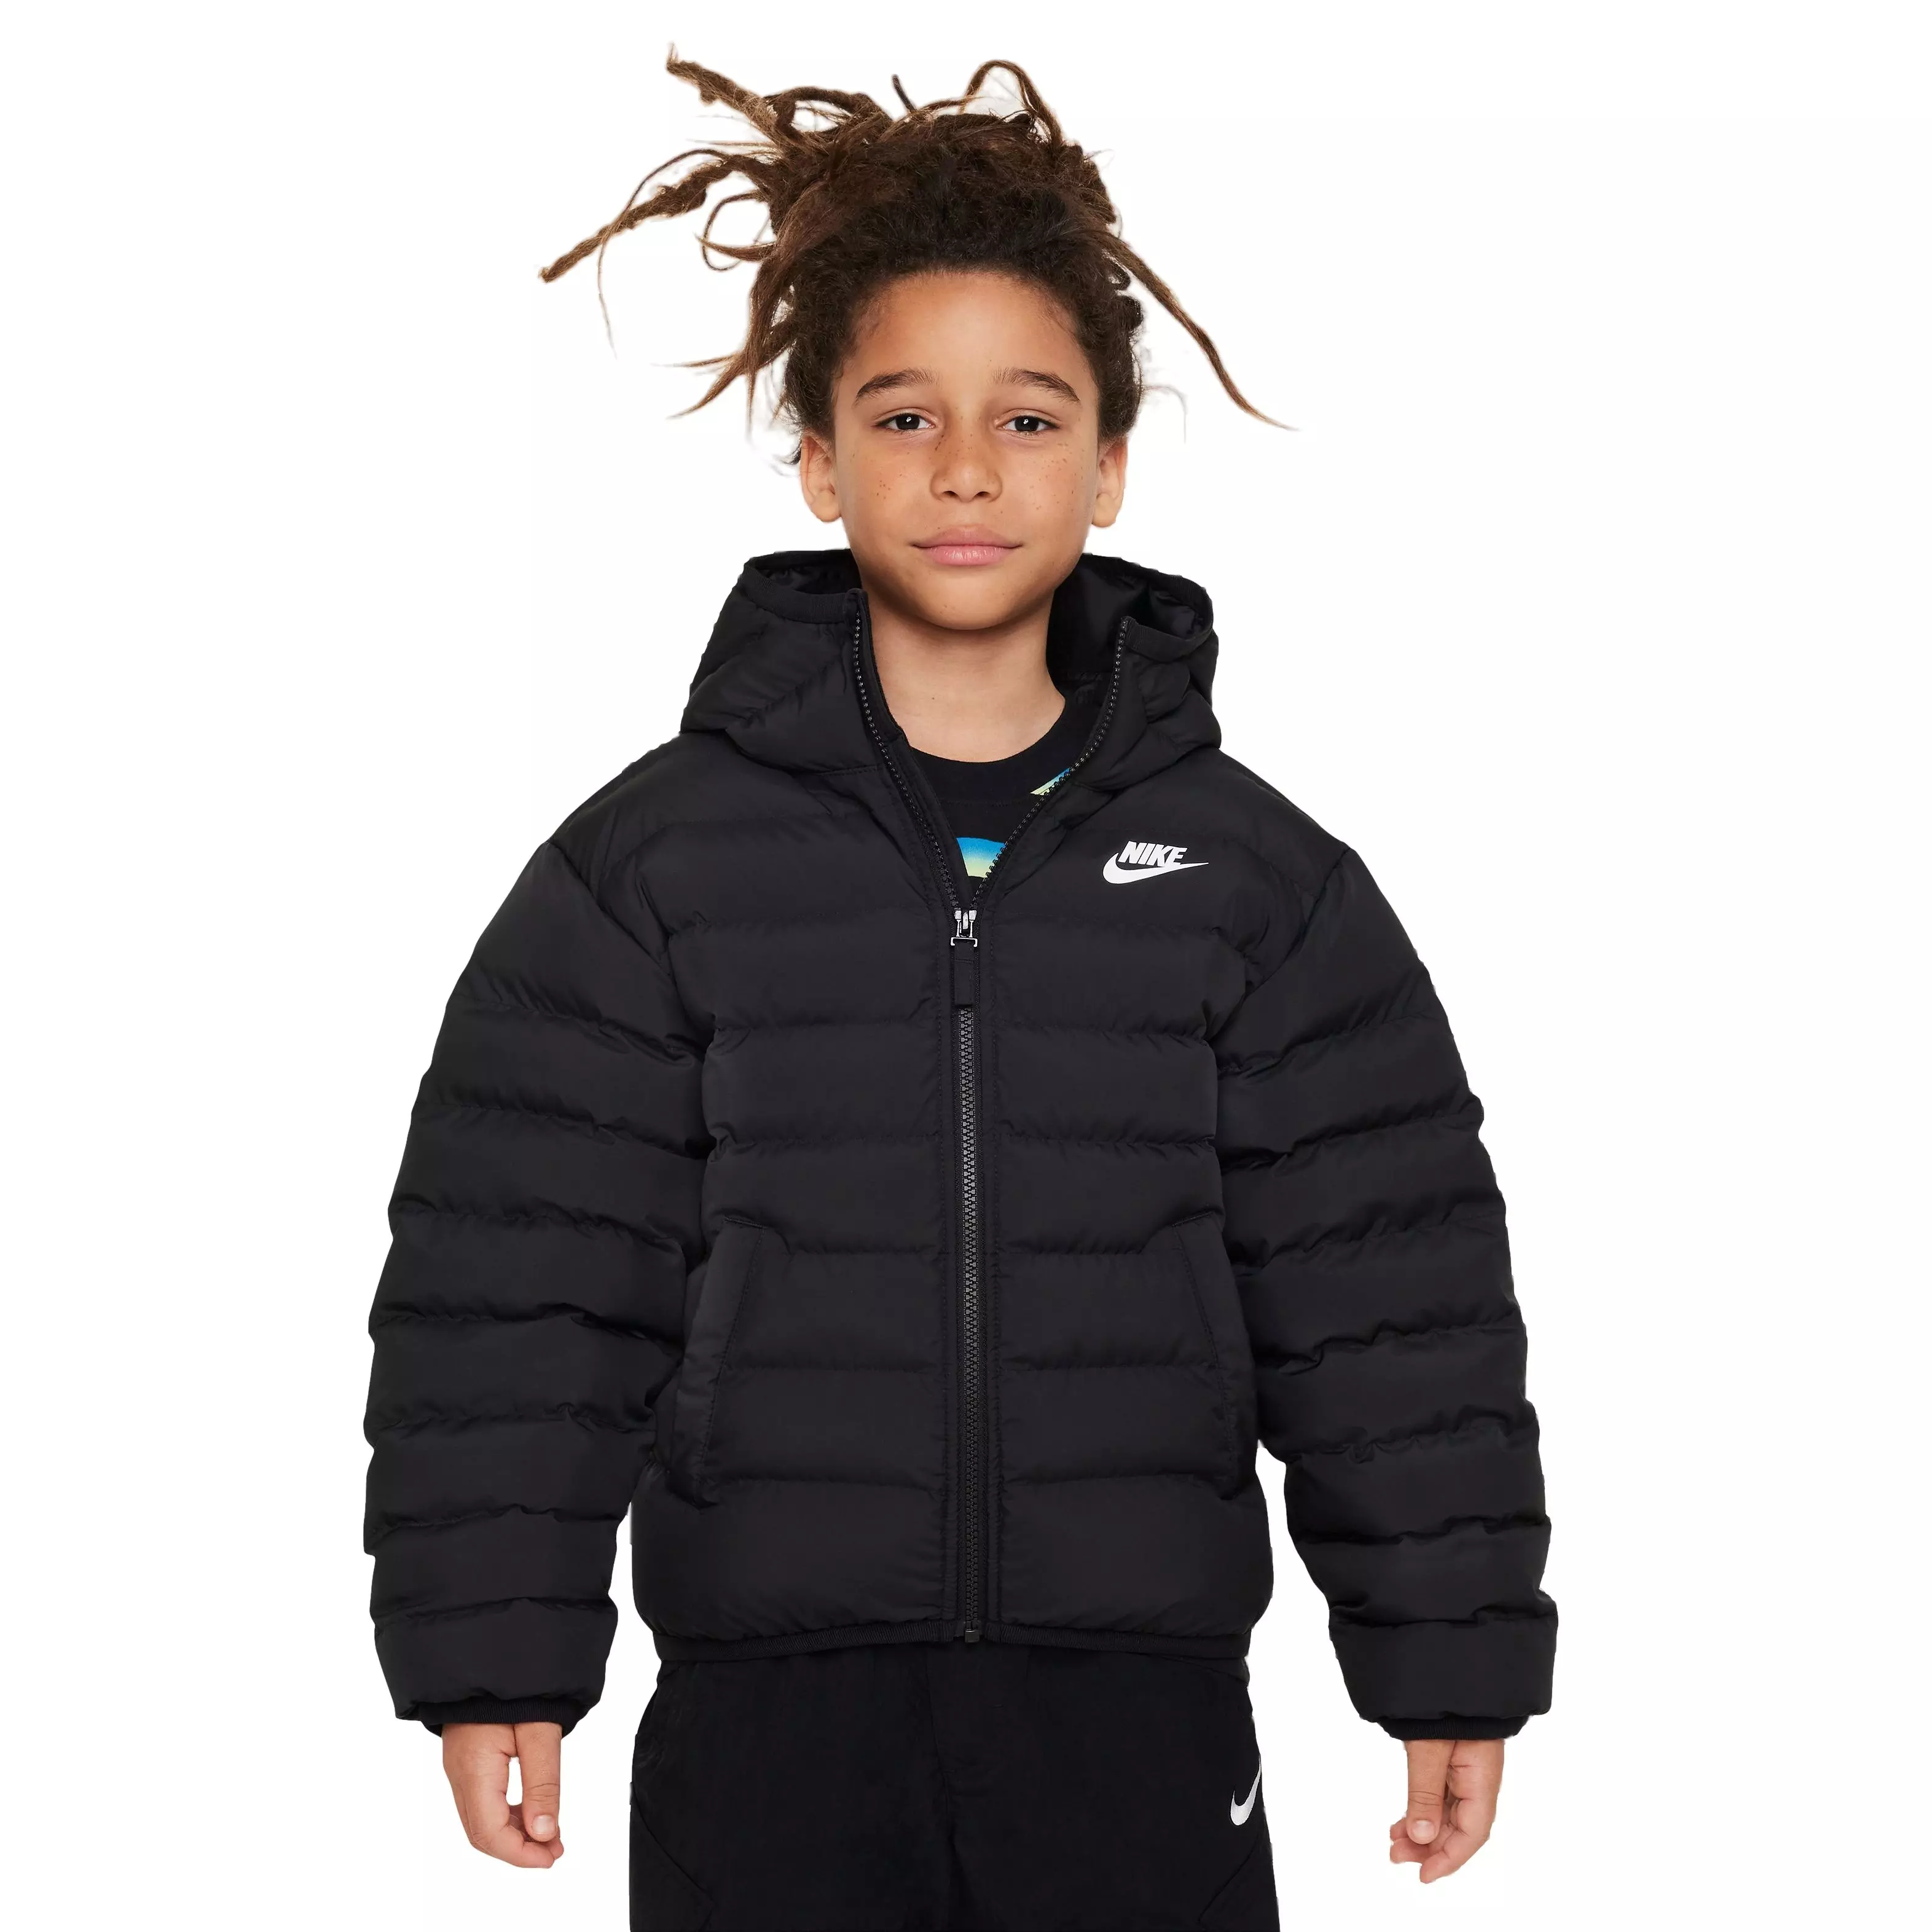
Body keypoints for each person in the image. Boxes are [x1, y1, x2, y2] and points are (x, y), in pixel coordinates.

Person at [361, 51, 1557, 1931]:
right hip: (770, 1716)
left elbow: (1387, 1294)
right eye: (905, 416)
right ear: (820, 459)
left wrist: (1449, 1651)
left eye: (1029, 415)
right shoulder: (650, 871)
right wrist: (492, 1648)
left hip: (1137, 1712)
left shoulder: (1256, 883)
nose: (969, 467)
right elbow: (522, 1275)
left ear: (1111, 463)